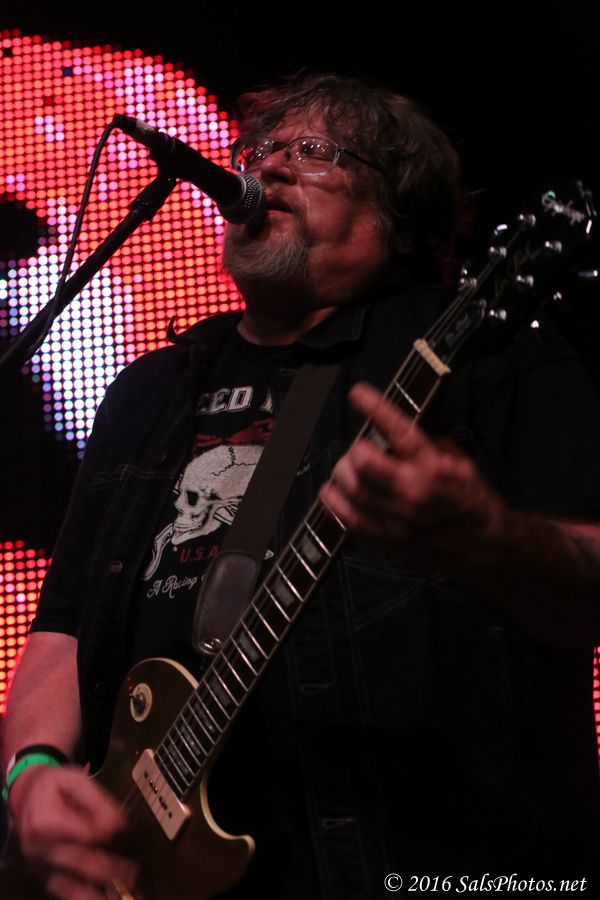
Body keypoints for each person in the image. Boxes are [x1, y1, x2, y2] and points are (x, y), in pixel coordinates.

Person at [2, 70, 600, 899]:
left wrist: (491, 539)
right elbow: (63, 631)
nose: (271, 167)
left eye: (315, 150)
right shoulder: (149, 390)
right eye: (260, 151)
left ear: (399, 217)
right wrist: (30, 776)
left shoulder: (482, 357)